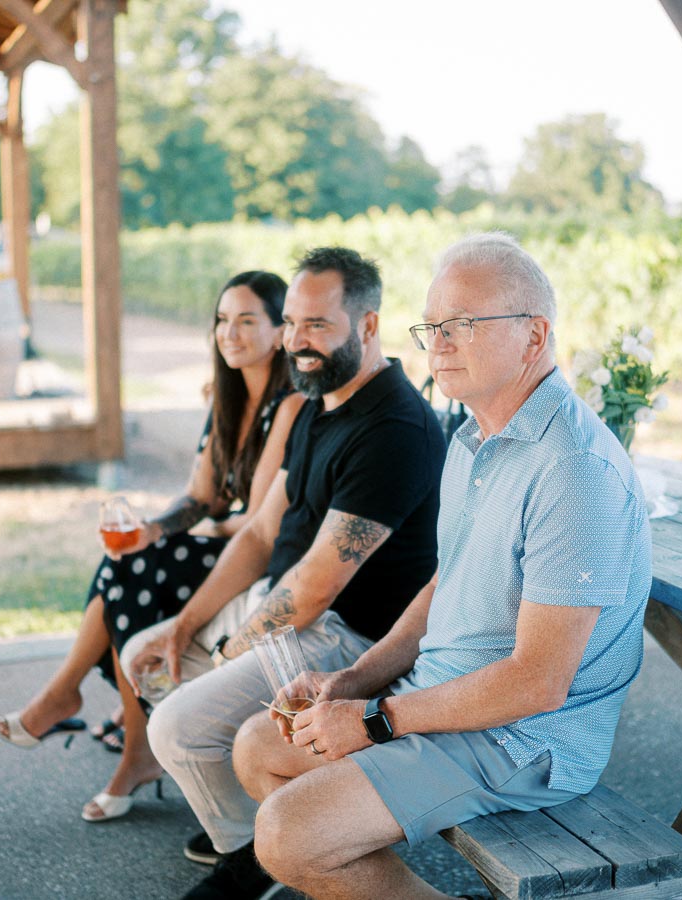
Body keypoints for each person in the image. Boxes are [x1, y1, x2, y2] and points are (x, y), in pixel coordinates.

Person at [232, 232, 653, 900]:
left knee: (286, 834)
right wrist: (353, 681)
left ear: (534, 336)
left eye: (461, 325)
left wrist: (376, 719)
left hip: (521, 742)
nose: (439, 343)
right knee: (259, 747)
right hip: (445, 697)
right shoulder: (473, 436)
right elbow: (444, 582)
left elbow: (538, 684)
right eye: (432, 326)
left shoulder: (575, 471)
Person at [122, 247, 447, 900]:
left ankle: (258, 858)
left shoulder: (393, 428)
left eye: (318, 326)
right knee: (145, 656)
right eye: (292, 324)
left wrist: (228, 650)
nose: (298, 342)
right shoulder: (322, 404)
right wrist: (186, 627)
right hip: (284, 609)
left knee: (177, 728)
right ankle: (260, 840)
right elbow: (263, 531)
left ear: (369, 325)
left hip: (347, 635)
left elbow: (319, 583)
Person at [0, 271, 305, 823]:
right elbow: (202, 495)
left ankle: (85, 712)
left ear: (280, 332)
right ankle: (116, 735)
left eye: (247, 321)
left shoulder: (292, 403)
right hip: (221, 541)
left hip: (262, 559)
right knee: (128, 562)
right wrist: (154, 530)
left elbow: (254, 521)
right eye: (222, 321)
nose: (229, 333)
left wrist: (187, 537)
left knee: (129, 576)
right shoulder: (227, 399)